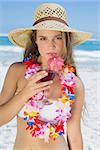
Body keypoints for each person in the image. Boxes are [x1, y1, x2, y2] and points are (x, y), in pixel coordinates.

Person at [0, 3, 92, 150]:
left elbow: (74, 135)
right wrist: (25, 93)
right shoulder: (17, 72)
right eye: (43, 38)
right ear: (35, 40)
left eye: (58, 38)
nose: (51, 45)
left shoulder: (75, 84)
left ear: (66, 41)